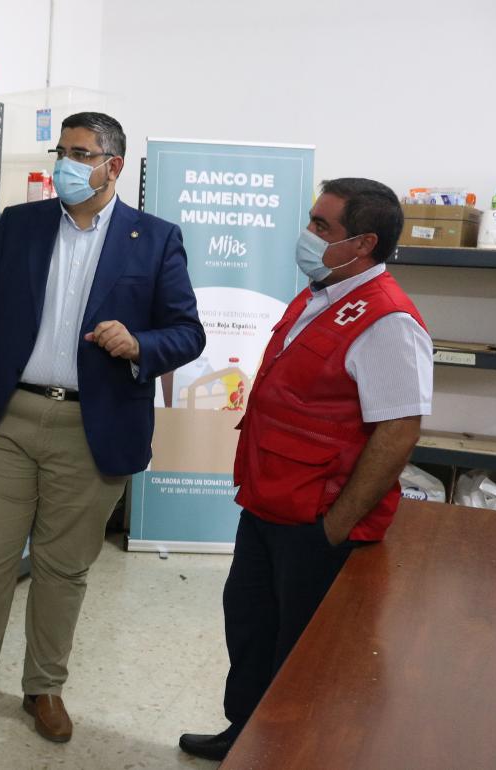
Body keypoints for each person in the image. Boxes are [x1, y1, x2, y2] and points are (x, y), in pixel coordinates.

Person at [0, 112, 206, 743]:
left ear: (113, 166)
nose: (67, 164)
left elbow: (188, 332)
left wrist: (139, 343)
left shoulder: (154, 239)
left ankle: (44, 688)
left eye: (81, 153)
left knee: (62, 568)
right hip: (6, 417)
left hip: (92, 425)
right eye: (62, 150)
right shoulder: (20, 225)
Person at [179, 178, 433, 761]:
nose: (307, 234)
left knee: (307, 652)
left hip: (317, 520)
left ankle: (294, 753)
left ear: (363, 243)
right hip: (268, 502)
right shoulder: (321, 292)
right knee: (250, 627)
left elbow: (398, 432)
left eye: (322, 226)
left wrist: (335, 527)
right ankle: (244, 737)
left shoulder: (389, 319)